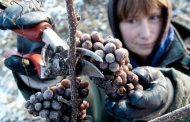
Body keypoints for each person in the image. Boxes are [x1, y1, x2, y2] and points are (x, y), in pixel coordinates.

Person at [1, 0, 190, 122]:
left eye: (154, 17)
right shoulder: (99, 66)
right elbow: (83, 100)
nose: (145, 33)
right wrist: (45, 80)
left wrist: (174, 93)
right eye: (131, 20)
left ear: (166, 17)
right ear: (116, 23)